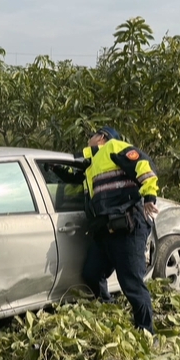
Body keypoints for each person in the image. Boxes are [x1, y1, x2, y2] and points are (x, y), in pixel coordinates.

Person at [58, 126, 160, 332]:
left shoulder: (114, 147)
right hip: (106, 230)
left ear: (102, 137)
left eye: (91, 135)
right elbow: (75, 179)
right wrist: (56, 169)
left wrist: (149, 195)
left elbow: (143, 164)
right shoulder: (91, 164)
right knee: (92, 273)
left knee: (131, 284)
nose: (88, 139)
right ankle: (107, 307)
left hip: (128, 227)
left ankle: (146, 331)